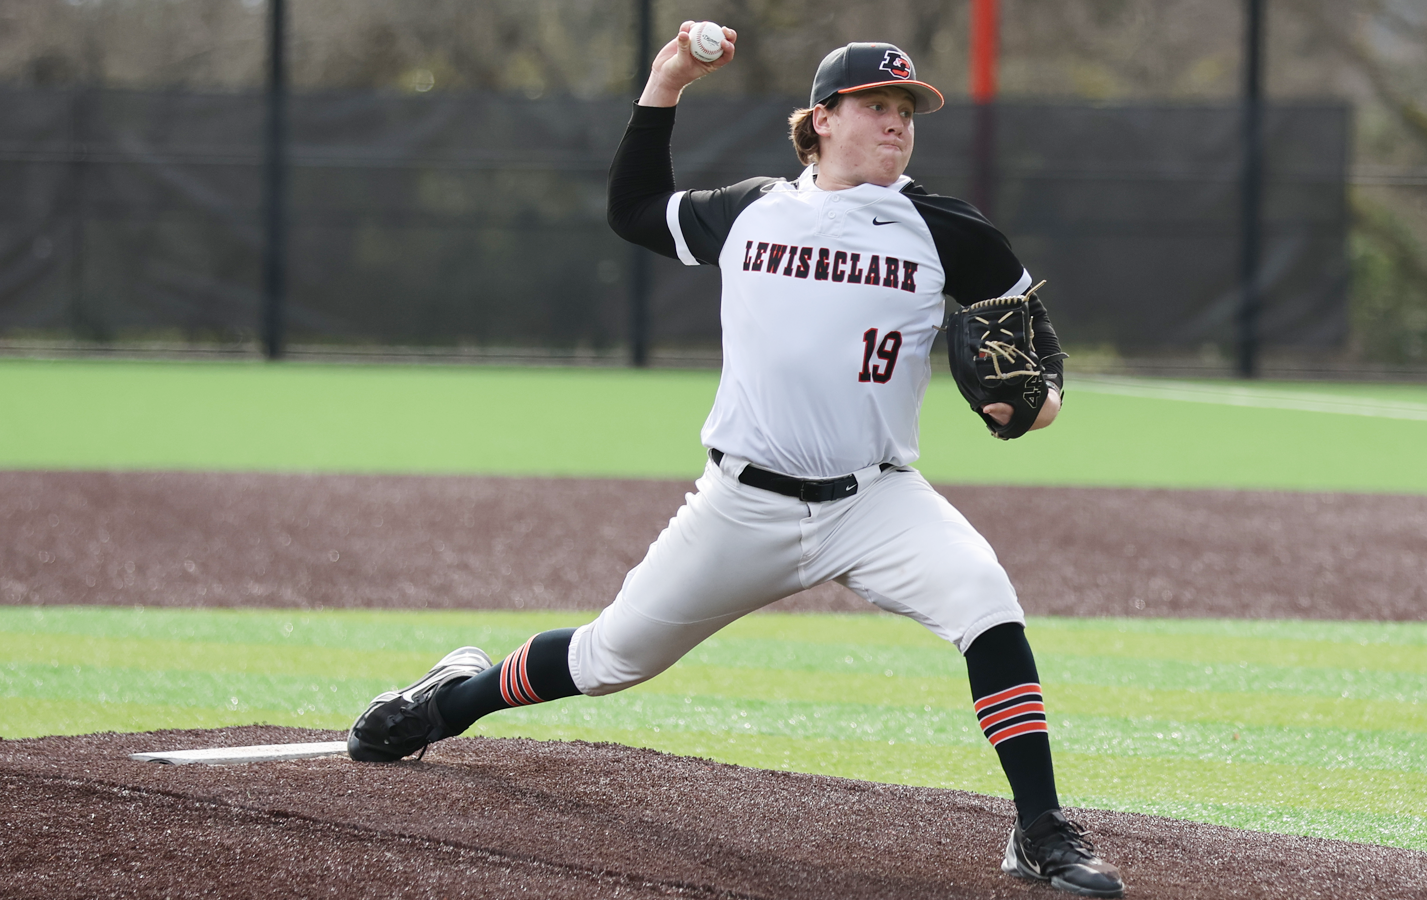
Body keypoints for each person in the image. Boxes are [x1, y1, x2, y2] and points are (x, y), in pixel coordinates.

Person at [348, 23, 1125, 898]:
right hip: (741, 503)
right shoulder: (753, 210)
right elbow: (632, 210)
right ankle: (448, 701)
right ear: (823, 119)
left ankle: (1039, 829)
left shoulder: (946, 229)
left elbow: (1036, 345)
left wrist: (1038, 406)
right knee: (610, 660)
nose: (897, 122)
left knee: (986, 599)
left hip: (876, 502)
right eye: (876, 105)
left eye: (906, 109)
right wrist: (665, 81)